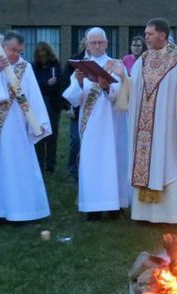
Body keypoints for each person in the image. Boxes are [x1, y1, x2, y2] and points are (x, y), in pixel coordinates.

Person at [110, 18, 177, 224]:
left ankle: (175, 214)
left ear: (162, 35)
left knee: (171, 161)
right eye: (145, 34)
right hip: (144, 129)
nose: (145, 37)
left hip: (169, 126)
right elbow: (134, 88)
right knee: (147, 162)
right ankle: (145, 214)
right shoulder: (143, 59)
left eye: (149, 33)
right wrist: (123, 78)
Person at [0, 30, 52, 223]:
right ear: (2, 46)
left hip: (18, 126)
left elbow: (33, 94)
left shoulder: (24, 66)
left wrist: (39, 122)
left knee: (20, 164)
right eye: (12, 50)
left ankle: (23, 211)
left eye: (19, 51)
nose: (16, 54)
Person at [63, 27, 130, 221]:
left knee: (114, 161)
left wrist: (107, 87)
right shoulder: (81, 67)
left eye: (101, 42)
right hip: (91, 123)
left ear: (107, 43)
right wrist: (77, 82)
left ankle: (115, 206)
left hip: (113, 123)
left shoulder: (116, 65)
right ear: (87, 44)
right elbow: (74, 99)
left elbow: (122, 95)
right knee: (92, 163)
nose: (97, 45)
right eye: (93, 42)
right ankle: (93, 207)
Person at [63, 34, 91, 182]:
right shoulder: (74, 61)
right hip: (77, 107)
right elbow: (65, 84)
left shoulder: (107, 62)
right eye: (90, 40)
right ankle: (73, 170)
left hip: (95, 108)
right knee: (75, 140)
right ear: (85, 42)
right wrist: (67, 106)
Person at [32, 41, 62, 174]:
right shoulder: (33, 67)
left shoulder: (55, 66)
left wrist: (53, 84)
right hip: (38, 105)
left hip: (53, 104)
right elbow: (32, 85)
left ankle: (50, 165)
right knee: (39, 135)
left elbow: (61, 84)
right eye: (40, 55)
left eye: (45, 54)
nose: (42, 57)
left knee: (52, 135)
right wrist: (46, 83)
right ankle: (39, 164)